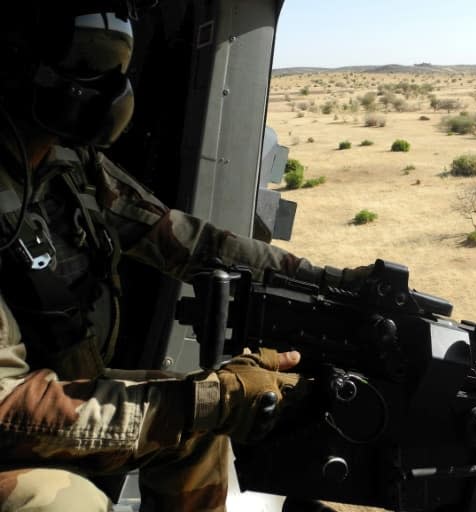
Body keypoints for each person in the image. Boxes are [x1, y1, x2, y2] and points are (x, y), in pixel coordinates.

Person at [0, 3, 366, 510]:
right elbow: (7, 407)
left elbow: (191, 242)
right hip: (13, 419)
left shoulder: (68, 165)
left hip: (55, 394)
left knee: (198, 423)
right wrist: (214, 399)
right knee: (66, 502)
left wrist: (328, 284)